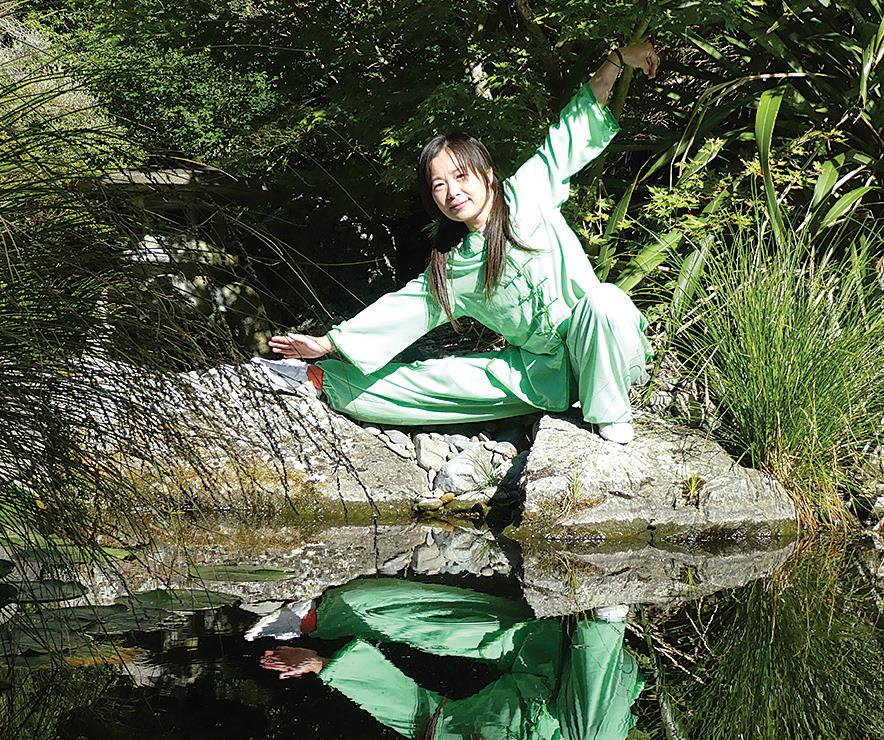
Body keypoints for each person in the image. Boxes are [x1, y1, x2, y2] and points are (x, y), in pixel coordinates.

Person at [268, 45, 659, 444]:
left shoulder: (529, 191)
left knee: (605, 301)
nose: (452, 192)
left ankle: (609, 415)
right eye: (439, 185)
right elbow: (401, 310)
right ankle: (320, 379)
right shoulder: (454, 266)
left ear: (487, 173)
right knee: (441, 376)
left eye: (460, 176)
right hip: (545, 376)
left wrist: (617, 59)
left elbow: (572, 128)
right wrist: (326, 344)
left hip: (610, 354)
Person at [259, 578, 643, 739]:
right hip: (599, 675)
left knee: (446, 632)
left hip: (532, 650)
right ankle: (606, 619)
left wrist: (321, 664)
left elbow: (410, 709)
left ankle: (318, 617)